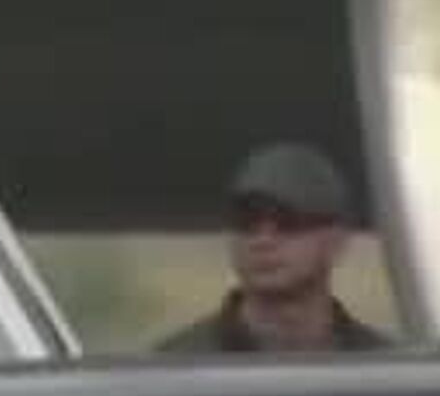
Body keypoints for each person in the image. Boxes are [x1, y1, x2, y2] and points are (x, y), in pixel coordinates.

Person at [157, 142, 394, 354]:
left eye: (289, 222)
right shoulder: (178, 366)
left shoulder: (380, 367)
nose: (263, 241)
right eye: (246, 221)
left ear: (337, 241)